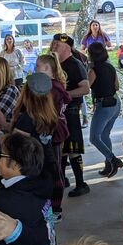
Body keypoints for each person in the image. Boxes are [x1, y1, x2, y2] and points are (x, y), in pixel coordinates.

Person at [10, 71, 66, 221]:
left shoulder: (27, 119)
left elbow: (13, 145)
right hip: (48, 168)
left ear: (26, 93)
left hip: (33, 174)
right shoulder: (49, 115)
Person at [51, 34, 91, 198]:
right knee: (61, 147)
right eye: (53, 45)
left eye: (57, 46)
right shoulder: (55, 65)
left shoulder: (74, 64)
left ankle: (81, 183)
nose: (53, 47)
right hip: (59, 112)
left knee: (73, 149)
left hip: (71, 111)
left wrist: (65, 94)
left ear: (67, 48)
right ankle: (62, 179)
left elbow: (85, 88)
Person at [87, 41, 123, 178]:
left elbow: (86, 87)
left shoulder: (93, 70)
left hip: (103, 105)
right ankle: (109, 163)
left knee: (94, 137)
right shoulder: (110, 67)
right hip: (115, 102)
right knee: (104, 135)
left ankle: (113, 159)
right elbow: (117, 86)